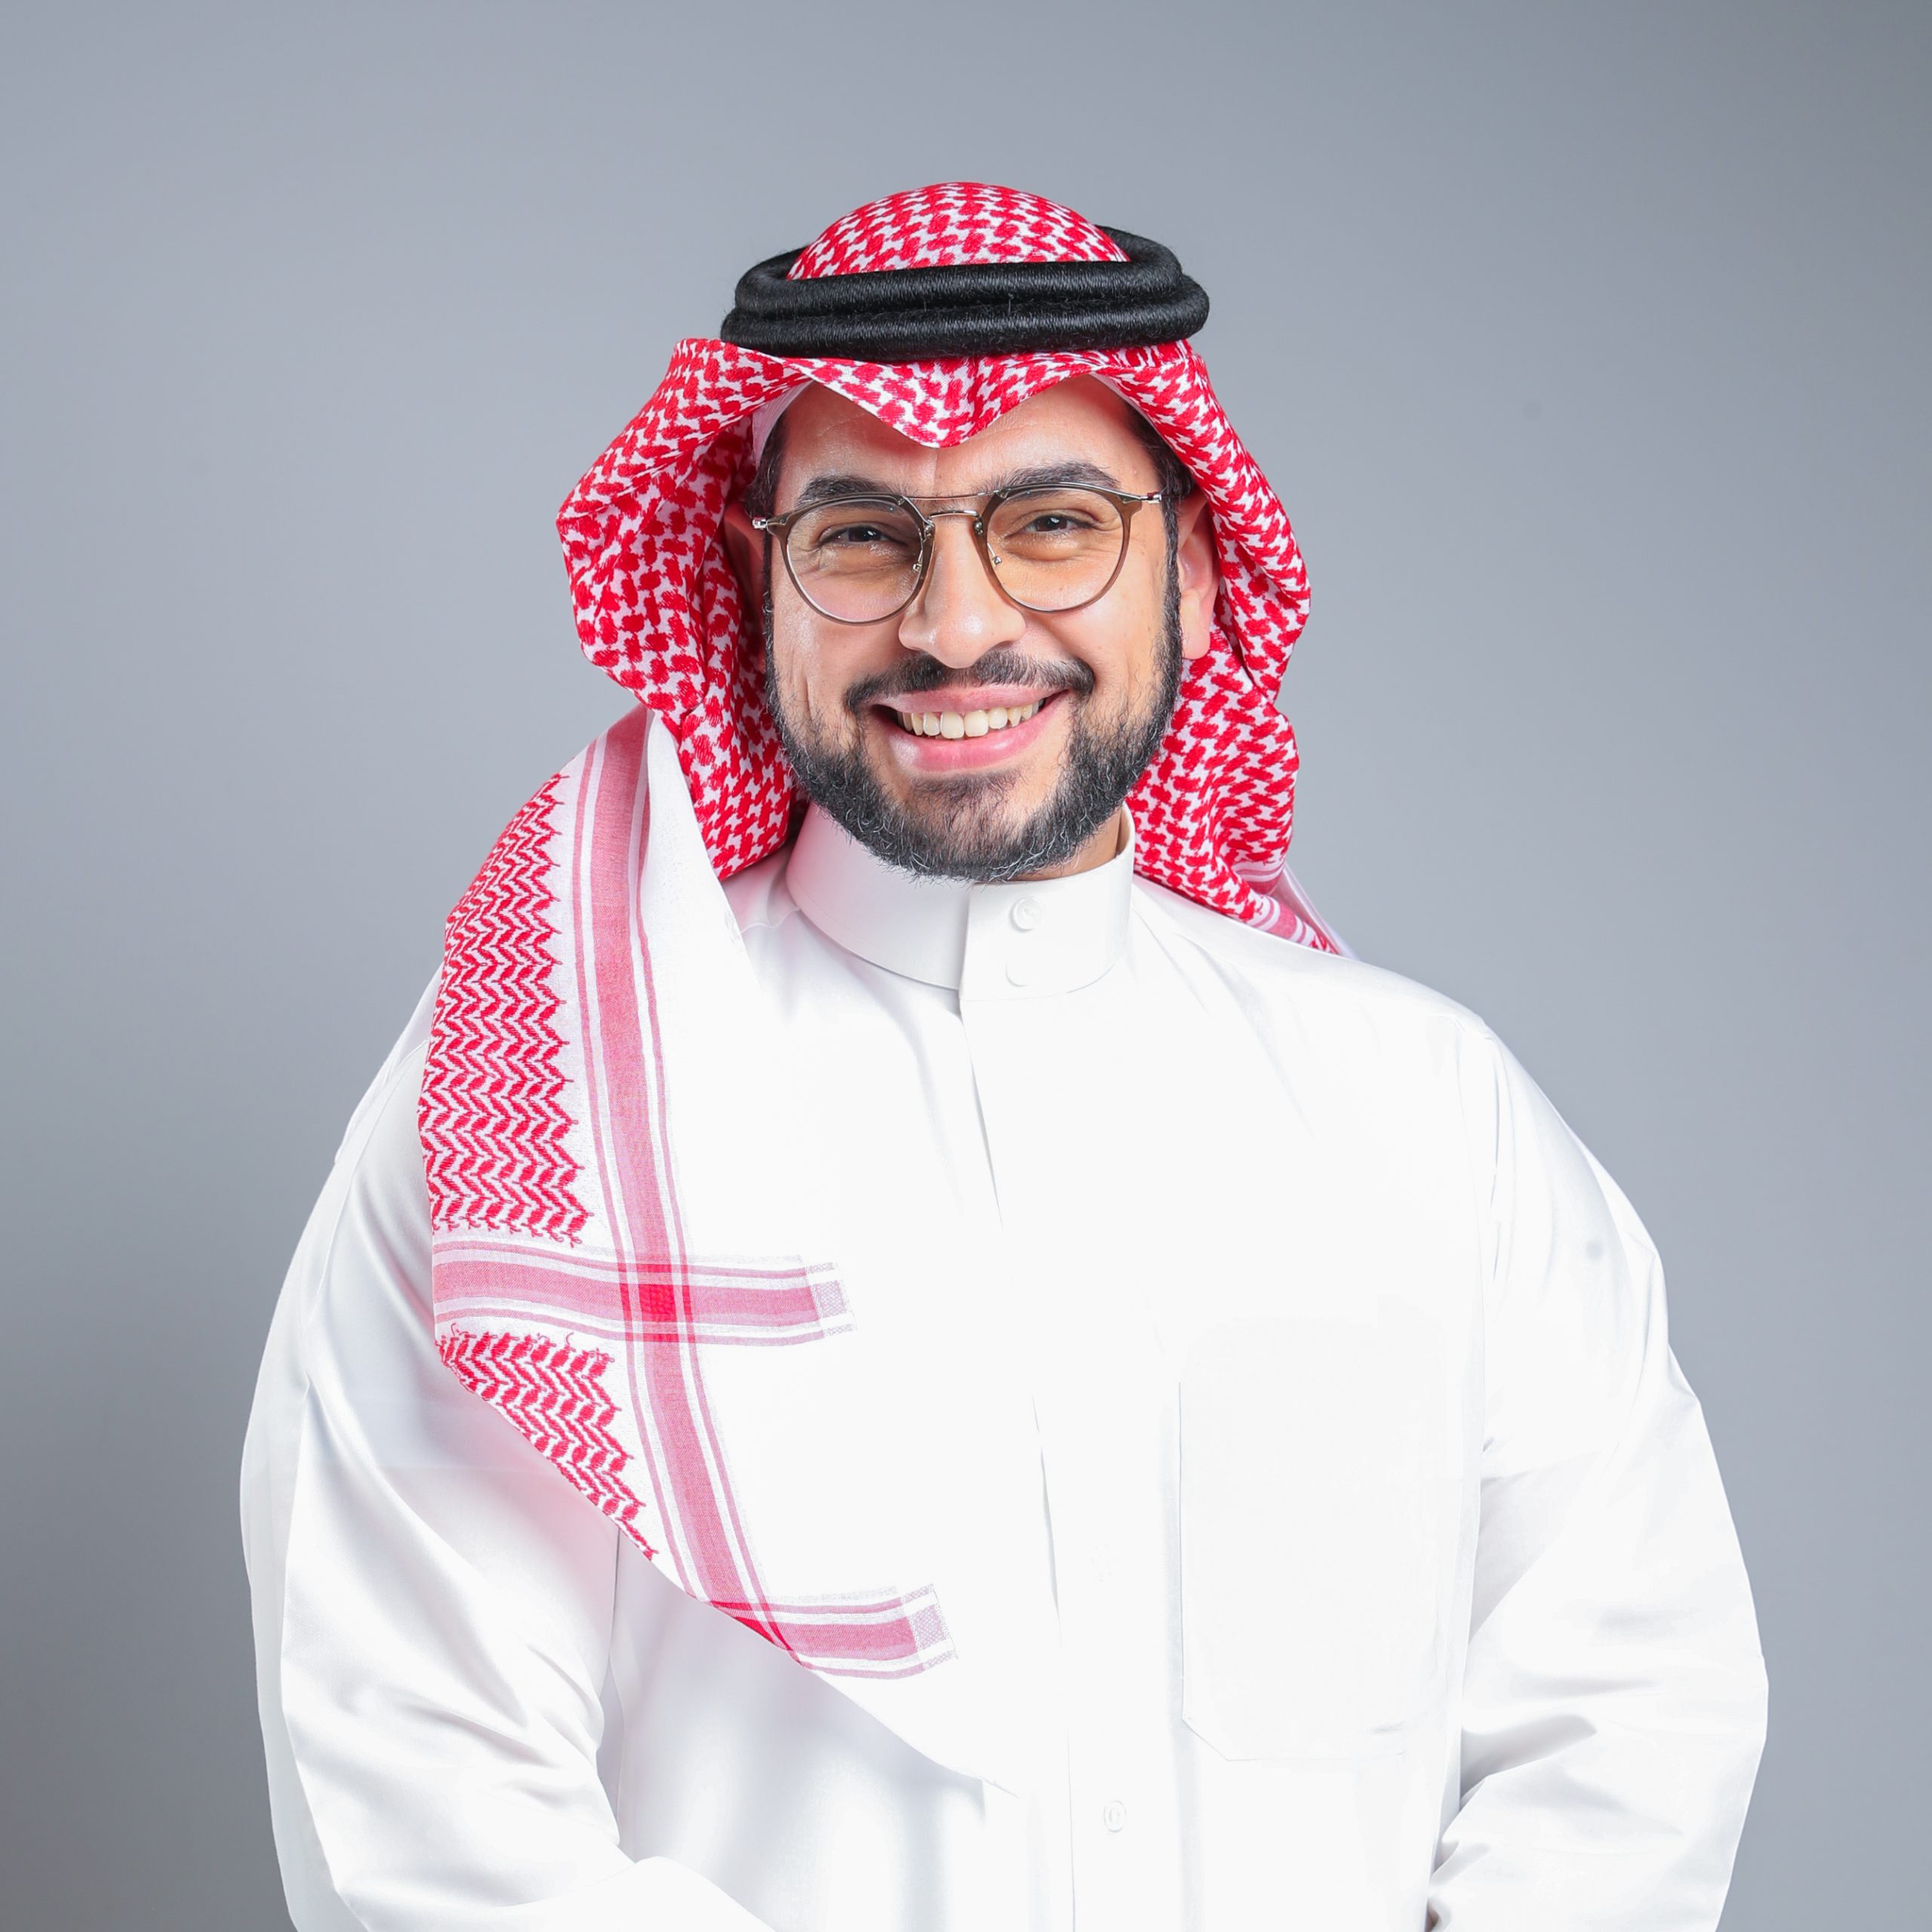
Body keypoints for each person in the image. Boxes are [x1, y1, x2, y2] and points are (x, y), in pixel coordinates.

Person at [240, 183, 1767, 1932]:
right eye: (861, 537)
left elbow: (1624, 1721)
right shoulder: (540, 1111)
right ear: (749, 583)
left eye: (1050, 524)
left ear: (1193, 565)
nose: (956, 625)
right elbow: (417, 1793)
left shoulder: (1426, 1115)